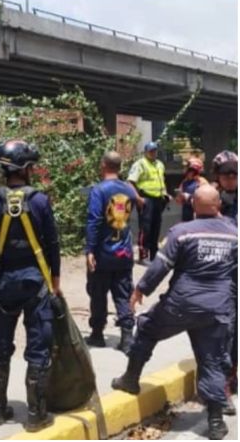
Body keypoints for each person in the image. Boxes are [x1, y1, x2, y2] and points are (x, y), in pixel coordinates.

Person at [111, 185, 237, 440]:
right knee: (212, 359)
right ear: (218, 206)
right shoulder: (235, 235)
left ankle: (131, 379)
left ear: (193, 205)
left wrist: (140, 290)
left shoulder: (181, 232)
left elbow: (161, 265)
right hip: (216, 308)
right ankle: (215, 421)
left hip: (180, 304)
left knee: (147, 328)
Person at [0, 140, 62, 432]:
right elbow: (52, 243)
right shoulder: (39, 200)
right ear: (24, 169)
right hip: (35, 283)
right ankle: (36, 415)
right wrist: (56, 279)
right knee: (38, 346)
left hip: (2, 285)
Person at [84, 152, 137, 354]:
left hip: (103, 252)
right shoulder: (129, 190)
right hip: (124, 251)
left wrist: (90, 249)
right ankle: (127, 337)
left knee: (98, 293)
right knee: (123, 293)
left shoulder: (99, 190)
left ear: (103, 164)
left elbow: (94, 221)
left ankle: (97, 334)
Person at [212, 150, 238, 415]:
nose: (231, 178)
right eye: (226, 174)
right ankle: (223, 388)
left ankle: (232, 375)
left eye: (235, 173)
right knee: (224, 330)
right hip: (221, 277)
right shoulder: (210, 201)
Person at [127, 142, 170, 263]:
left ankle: (154, 255)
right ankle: (143, 255)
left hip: (158, 199)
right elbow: (130, 182)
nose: (153, 153)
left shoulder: (160, 164)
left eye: (155, 150)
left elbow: (161, 181)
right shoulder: (140, 164)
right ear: (145, 152)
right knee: (145, 228)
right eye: (151, 151)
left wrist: (165, 194)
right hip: (145, 198)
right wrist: (137, 198)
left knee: (156, 227)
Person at [175, 157, 208, 222]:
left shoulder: (201, 181)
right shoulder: (184, 182)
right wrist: (179, 196)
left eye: (188, 169)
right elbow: (179, 201)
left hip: (197, 212)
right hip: (186, 212)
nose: (186, 170)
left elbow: (205, 198)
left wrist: (190, 197)